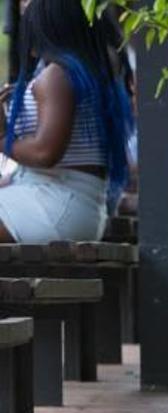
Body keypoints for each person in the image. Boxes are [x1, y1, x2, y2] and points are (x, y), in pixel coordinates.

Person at [0, 0, 133, 242]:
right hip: (61, 200)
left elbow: (44, 153)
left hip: (56, 205)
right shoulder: (75, 70)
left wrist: (1, 138)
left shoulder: (57, 75)